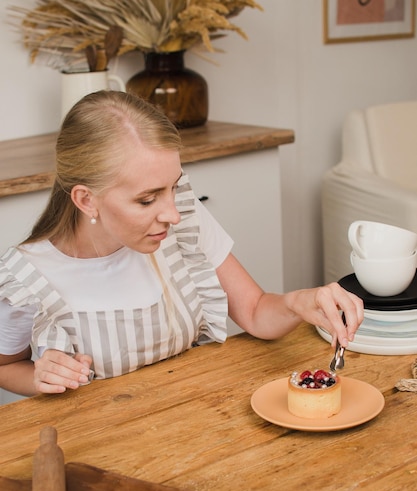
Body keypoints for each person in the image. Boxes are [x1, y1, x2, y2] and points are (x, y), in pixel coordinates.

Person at [0, 90, 363, 397]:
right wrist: (38, 377)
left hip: (195, 416)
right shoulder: (25, 278)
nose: (172, 214)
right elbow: (6, 366)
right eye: (147, 199)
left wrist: (300, 301)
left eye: (173, 187)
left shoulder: (182, 220)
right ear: (85, 200)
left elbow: (253, 312)